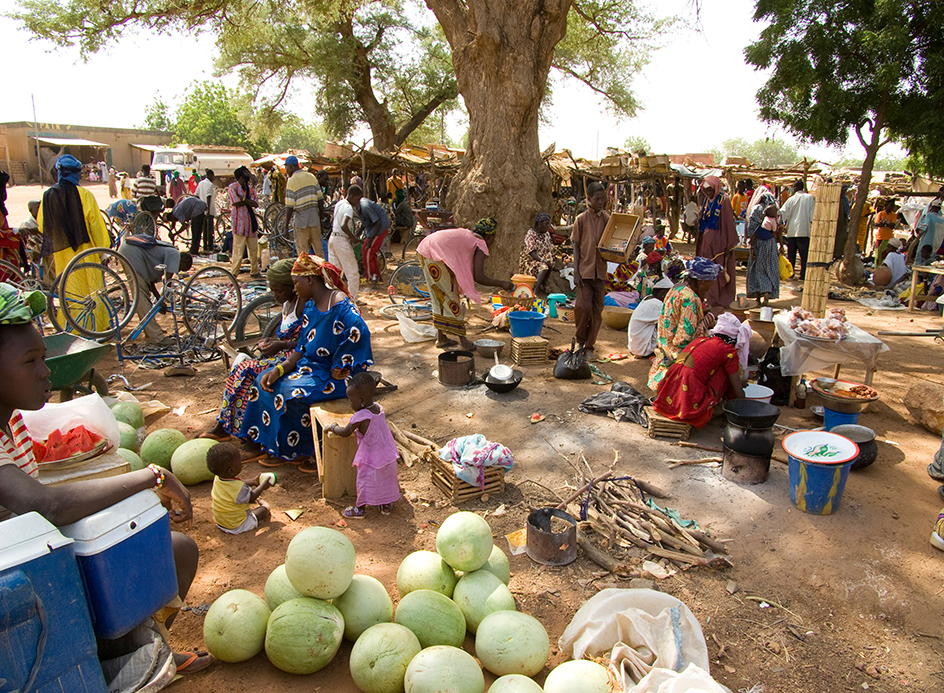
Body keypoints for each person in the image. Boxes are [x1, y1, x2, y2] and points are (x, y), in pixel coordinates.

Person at [0, 283, 210, 673]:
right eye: (30, 361)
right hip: (14, 586)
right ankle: (101, 665)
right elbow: (43, 503)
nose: (45, 371)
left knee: (176, 551)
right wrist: (152, 476)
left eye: (43, 358)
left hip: (34, 555)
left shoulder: (11, 417)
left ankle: (142, 652)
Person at [237, 253, 373, 467]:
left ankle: (301, 450)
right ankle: (267, 444)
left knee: (291, 394)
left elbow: (360, 332)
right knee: (263, 381)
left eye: (295, 283)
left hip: (334, 377)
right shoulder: (310, 306)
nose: (294, 289)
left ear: (309, 279)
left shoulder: (339, 304)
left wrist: (341, 364)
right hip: (309, 369)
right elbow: (301, 348)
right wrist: (280, 370)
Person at [204, 259, 304, 443]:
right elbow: (288, 339)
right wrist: (272, 342)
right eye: (272, 290)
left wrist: (281, 345)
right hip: (283, 354)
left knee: (244, 371)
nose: (275, 295)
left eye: (279, 291)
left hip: (295, 359)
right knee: (240, 367)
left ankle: (245, 432)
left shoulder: (303, 305)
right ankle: (226, 424)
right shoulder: (287, 303)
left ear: (293, 287)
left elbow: (306, 343)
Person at [417, 218, 513, 350]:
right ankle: (464, 342)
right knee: (451, 298)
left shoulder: (468, 235)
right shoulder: (480, 243)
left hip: (425, 248)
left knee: (440, 296)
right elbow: (478, 276)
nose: (494, 241)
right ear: (490, 236)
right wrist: (501, 283)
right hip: (433, 253)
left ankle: (441, 338)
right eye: (494, 237)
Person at [38, 155, 111, 322]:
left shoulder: (48, 195)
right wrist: (103, 248)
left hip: (62, 252)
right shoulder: (85, 195)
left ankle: (71, 325)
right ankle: (96, 326)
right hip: (86, 250)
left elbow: (43, 225)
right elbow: (95, 225)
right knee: (93, 289)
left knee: (69, 288)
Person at [652, 312, 746, 428]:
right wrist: (745, 406)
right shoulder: (727, 350)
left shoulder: (701, 340)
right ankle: (714, 410)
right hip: (688, 403)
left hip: (667, 396)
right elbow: (736, 387)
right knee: (726, 374)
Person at [327, 371, 400, 519]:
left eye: (350, 400)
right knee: (385, 479)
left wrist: (333, 427)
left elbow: (346, 432)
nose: (349, 403)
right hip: (387, 453)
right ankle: (386, 504)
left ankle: (359, 509)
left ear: (361, 400)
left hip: (371, 458)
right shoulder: (378, 409)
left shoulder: (360, 417)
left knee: (364, 482)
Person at [648, 257, 720, 389]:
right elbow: (685, 338)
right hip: (677, 354)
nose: (710, 288)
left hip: (665, 346)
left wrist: (702, 313)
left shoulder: (676, 289)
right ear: (702, 281)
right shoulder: (691, 298)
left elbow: (678, 318)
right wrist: (711, 316)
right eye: (711, 283)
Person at [118, 234, 193, 342]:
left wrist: (159, 299)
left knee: (143, 293)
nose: (179, 270)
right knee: (141, 297)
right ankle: (156, 337)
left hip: (128, 249)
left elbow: (151, 283)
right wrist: (165, 298)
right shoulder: (175, 254)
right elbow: (167, 283)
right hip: (132, 253)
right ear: (183, 262)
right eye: (181, 268)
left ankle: (151, 331)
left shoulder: (163, 252)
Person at [572, 182, 610, 354]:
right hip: (585, 271)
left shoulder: (607, 220)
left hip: (600, 272)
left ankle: (589, 346)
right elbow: (576, 246)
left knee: (596, 311)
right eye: (597, 199)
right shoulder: (581, 220)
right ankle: (580, 340)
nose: (601, 202)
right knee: (583, 307)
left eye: (603, 199)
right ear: (589, 199)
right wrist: (576, 272)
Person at [207, 442, 273, 534]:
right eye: (239, 461)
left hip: (221, 522)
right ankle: (264, 506)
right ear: (231, 470)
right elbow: (252, 497)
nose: (241, 462)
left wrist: (253, 481)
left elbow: (236, 484)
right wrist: (263, 486)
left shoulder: (218, 478)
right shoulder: (239, 489)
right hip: (237, 526)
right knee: (263, 510)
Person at [695, 175, 738, 310]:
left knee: (719, 271)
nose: (708, 193)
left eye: (710, 190)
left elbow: (727, 223)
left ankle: (719, 299)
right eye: (706, 190)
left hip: (719, 243)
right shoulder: (708, 201)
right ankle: (710, 297)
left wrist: (728, 244)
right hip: (707, 244)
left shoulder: (723, 201)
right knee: (707, 271)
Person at [284, 156, 324, 257]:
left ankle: (306, 273)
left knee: (303, 254)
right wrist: (321, 218)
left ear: (291, 167)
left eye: (287, 168)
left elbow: (289, 206)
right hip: (314, 220)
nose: (286, 170)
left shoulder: (291, 181)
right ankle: (323, 272)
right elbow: (320, 199)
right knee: (319, 252)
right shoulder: (311, 176)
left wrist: (286, 227)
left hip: (301, 223)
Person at [330, 185, 363, 303]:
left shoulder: (339, 203)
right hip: (341, 240)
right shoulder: (348, 208)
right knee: (353, 272)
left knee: (335, 272)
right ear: (352, 196)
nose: (358, 202)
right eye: (358, 199)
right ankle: (353, 299)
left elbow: (333, 220)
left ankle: (332, 298)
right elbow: (344, 225)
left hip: (333, 238)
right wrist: (353, 237)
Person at [746, 193, 781, 303]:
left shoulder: (756, 210)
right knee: (770, 268)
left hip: (758, 244)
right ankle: (767, 292)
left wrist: (751, 246)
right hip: (770, 244)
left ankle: (758, 295)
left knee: (757, 269)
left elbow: (752, 231)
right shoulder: (775, 211)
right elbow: (778, 230)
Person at [629, 277, 673, 358]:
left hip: (635, 346)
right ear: (664, 293)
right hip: (642, 348)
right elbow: (670, 321)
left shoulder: (648, 299)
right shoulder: (656, 304)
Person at [228, 166, 261, 277]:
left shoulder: (249, 188)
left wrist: (242, 199)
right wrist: (247, 201)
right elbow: (235, 202)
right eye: (246, 172)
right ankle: (234, 273)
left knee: (253, 250)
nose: (249, 174)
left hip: (250, 224)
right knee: (238, 251)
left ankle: (255, 271)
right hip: (239, 224)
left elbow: (255, 203)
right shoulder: (232, 187)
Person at [780, 180, 816, 280]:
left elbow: (782, 213)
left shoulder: (791, 199)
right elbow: (812, 215)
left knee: (791, 254)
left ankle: (791, 274)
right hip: (804, 230)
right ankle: (803, 275)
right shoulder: (809, 198)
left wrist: (781, 224)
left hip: (792, 230)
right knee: (804, 255)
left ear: (795, 188)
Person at [357, 193, 392, 289]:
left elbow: (378, 223)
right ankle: (377, 276)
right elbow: (364, 224)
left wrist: (370, 240)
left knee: (367, 251)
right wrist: (356, 236)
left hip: (380, 228)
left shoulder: (365, 206)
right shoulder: (361, 206)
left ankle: (370, 277)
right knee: (371, 253)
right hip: (376, 228)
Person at [517, 212, 554, 294]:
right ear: (539, 224)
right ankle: (536, 291)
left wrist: (547, 259)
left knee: (550, 261)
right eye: (546, 224)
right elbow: (532, 253)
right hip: (529, 260)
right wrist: (543, 261)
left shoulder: (546, 234)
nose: (548, 226)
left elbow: (548, 249)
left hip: (541, 258)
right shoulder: (531, 234)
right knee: (544, 267)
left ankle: (544, 283)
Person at [194, 170, 217, 254]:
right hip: (209, 210)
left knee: (204, 229)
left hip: (201, 210)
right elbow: (208, 196)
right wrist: (207, 209)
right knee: (209, 229)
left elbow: (196, 194)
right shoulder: (210, 184)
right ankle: (210, 247)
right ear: (210, 175)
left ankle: (204, 246)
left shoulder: (200, 183)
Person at [872, 199, 898, 263]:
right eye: (890, 205)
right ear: (886, 206)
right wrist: (887, 224)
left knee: (885, 255)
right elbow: (877, 224)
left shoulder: (894, 215)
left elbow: (892, 225)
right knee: (878, 255)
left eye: (892, 206)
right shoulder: (881, 213)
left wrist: (884, 223)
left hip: (888, 238)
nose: (891, 207)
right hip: (880, 237)